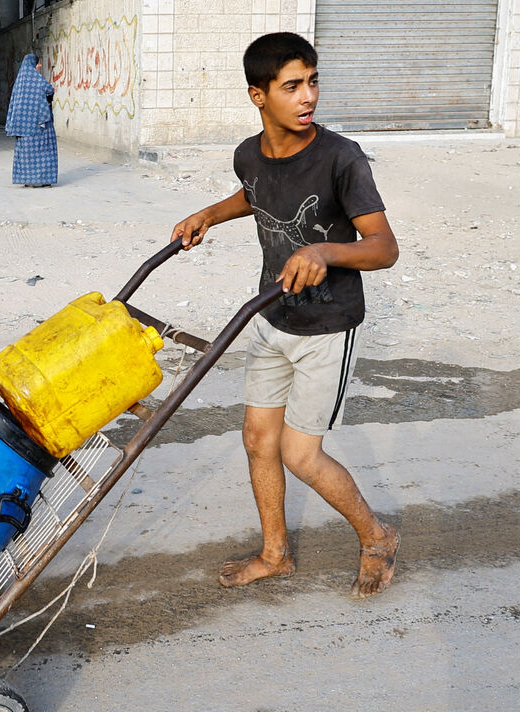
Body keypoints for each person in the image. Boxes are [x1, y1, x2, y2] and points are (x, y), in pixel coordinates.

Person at [171, 32, 401, 599]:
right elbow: (254, 194)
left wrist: (326, 251)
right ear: (258, 95)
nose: (309, 97)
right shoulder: (248, 154)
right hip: (272, 318)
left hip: (327, 327)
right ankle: (275, 554)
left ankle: (377, 538)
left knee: (301, 454)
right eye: (292, 85)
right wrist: (208, 213)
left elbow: (383, 247)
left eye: (313, 81)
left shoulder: (340, 158)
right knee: (257, 439)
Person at [5, 53, 57, 188]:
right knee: (45, 150)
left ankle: (29, 181)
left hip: (23, 127)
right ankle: (45, 179)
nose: (39, 65)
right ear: (33, 64)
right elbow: (49, 90)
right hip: (40, 124)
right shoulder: (35, 78)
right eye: (38, 63)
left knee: (26, 152)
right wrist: (39, 74)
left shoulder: (20, 80)